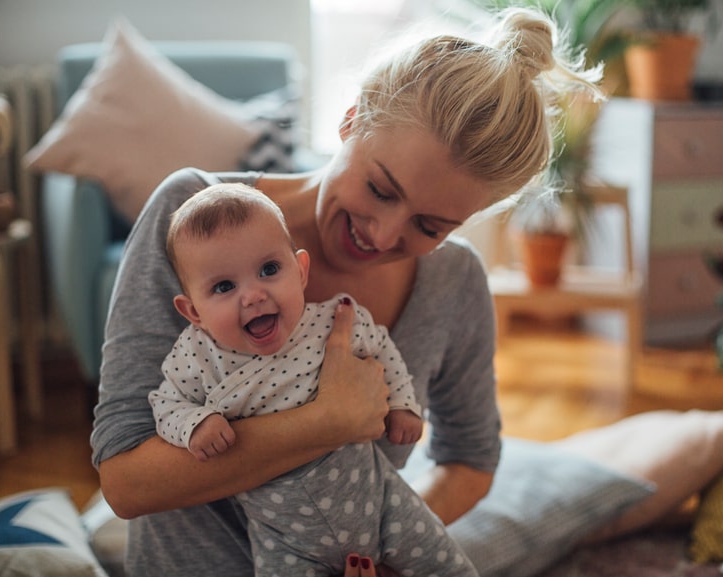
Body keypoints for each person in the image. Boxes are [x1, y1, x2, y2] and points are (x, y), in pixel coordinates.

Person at [91, 7, 602, 577]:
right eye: (381, 189)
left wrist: (388, 550)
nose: (383, 236)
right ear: (352, 119)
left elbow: (471, 460)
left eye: (430, 227)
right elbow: (125, 482)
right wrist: (326, 422)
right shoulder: (191, 224)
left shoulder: (454, 283)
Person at [147, 182, 474, 576]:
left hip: (383, 507)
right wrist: (195, 424)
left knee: (449, 565)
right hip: (285, 540)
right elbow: (165, 404)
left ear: (300, 271)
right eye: (223, 286)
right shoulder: (196, 357)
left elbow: (382, 349)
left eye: (269, 270)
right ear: (193, 311)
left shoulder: (332, 321)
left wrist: (403, 404)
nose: (252, 296)